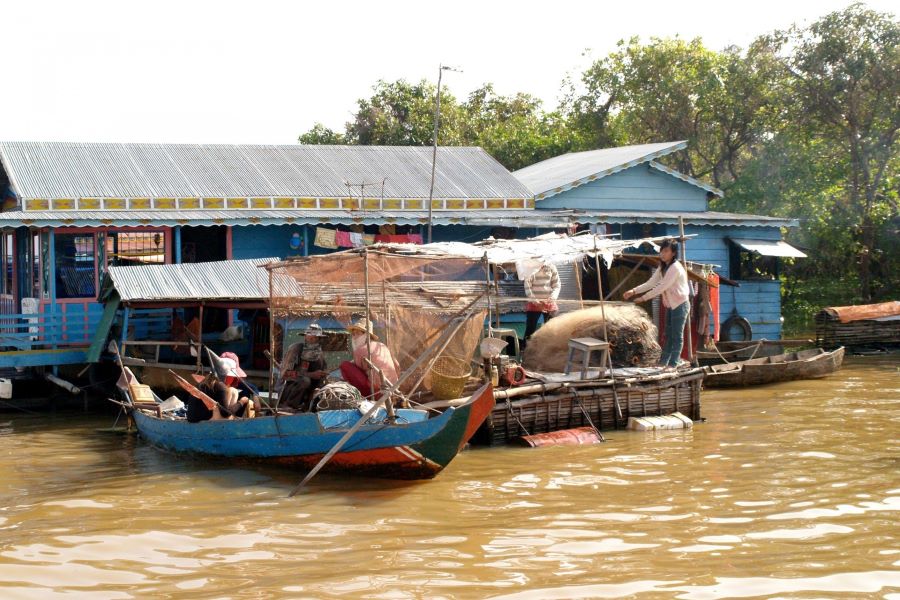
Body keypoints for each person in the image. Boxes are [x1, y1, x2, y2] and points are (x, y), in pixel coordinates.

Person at [623, 239, 691, 370]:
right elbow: (650, 283)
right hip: (671, 305)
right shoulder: (662, 267)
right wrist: (633, 291)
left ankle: (673, 364)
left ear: (673, 253)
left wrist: (643, 298)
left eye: (666, 251)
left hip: (680, 304)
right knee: (668, 334)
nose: (662, 253)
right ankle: (664, 362)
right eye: (662, 250)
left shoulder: (675, 268)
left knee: (677, 336)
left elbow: (661, 287)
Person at [339, 318, 400, 397]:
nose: (354, 337)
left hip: (375, 392)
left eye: (357, 333)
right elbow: (397, 365)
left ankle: (360, 396)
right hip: (393, 389)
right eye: (353, 334)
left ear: (366, 335)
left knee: (344, 365)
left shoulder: (360, 351)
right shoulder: (382, 346)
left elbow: (357, 369)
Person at [277, 324, 328, 410]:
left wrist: (322, 380)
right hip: (288, 389)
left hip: (308, 393)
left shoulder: (320, 354)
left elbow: (322, 374)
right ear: (305, 337)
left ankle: (309, 406)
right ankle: (288, 405)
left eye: (315, 337)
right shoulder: (296, 349)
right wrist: (311, 375)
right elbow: (285, 374)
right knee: (305, 380)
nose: (312, 339)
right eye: (309, 337)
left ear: (319, 339)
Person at [523, 262, 561, 340]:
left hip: (549, 303)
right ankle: (526, 349)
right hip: (534, 303)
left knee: (552, 329)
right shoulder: (530, 267)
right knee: (530, 329)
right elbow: (527, 286)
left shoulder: (551, 266)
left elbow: (557, 285)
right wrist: (534, 299)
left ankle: (549, 348)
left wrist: (553, 297)